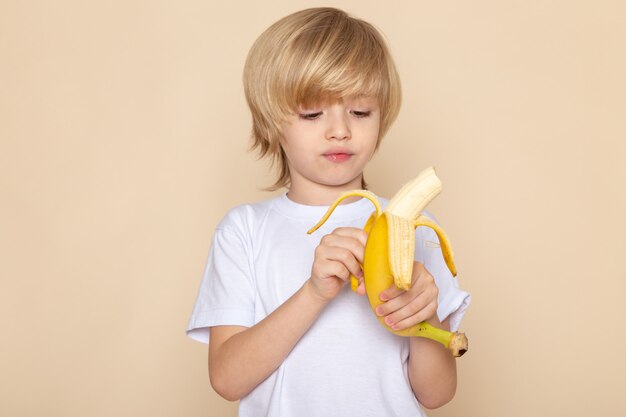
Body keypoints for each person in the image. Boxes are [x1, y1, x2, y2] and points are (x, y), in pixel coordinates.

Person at [186, 7, 470, 416]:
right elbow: (227, 380)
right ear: (271, 124)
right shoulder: (244, 231)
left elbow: (437, 394)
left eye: (360, 112)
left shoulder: (417, 231)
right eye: (313, 113)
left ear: (382, 119)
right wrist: (314, 292)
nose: (340, 130)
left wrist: (425, 316)